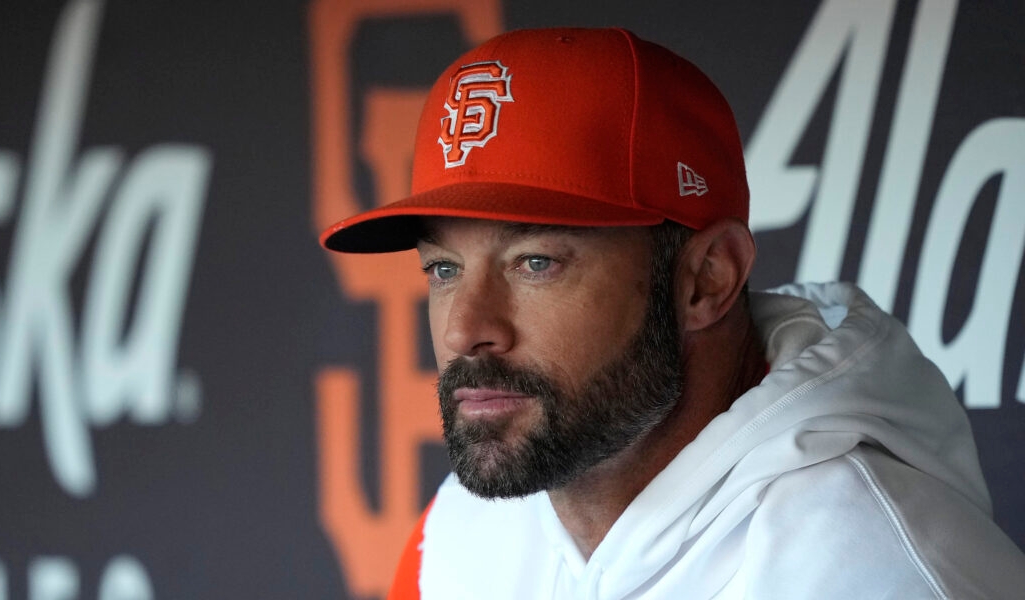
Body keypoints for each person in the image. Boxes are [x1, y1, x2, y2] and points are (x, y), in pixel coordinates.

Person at [319, 27, 1025, 599]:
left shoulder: (868, 571)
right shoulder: (461, 539)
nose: (462, 328)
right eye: (444, 269)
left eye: (535, 262)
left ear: (706, 281)